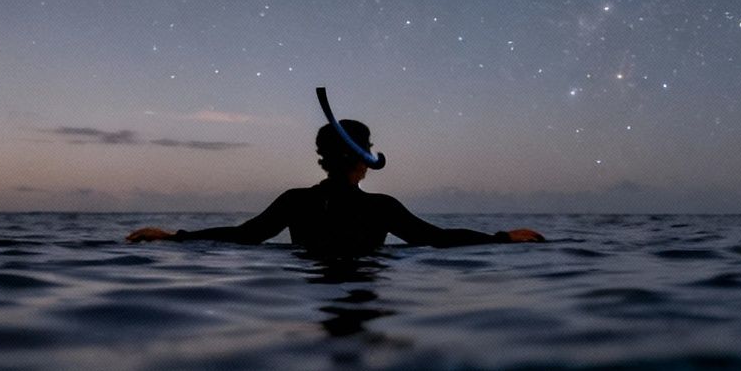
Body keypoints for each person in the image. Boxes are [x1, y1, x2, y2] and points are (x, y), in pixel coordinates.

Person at [125, 118, 543, 256]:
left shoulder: (296, 201)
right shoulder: (380, 206)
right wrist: (502, 238)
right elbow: (434, 238)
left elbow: (243, 236)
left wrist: (173, 237)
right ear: (361, 159)